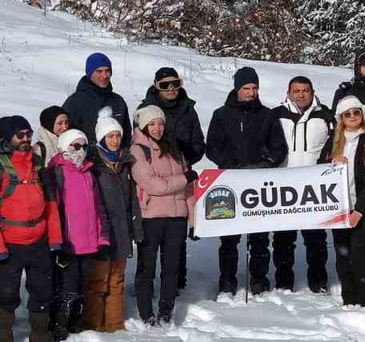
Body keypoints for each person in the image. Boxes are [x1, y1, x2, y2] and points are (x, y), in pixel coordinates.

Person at [0, 116, 63, 342]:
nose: (26, 139)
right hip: (9, 243)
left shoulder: (37, 164)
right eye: (20, 135)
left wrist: (54, 239)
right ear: (6, 139)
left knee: (42, 292)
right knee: (5, 295)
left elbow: (50, 204)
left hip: (38, 241)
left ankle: (41, 339)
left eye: (28, 134)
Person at [206, 67, 288, 297]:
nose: (251, 92)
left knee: (260, 239)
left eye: (254, 88)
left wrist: (266, 163)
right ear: (237, 89)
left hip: (258, 184)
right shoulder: (221, 114)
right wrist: (229, 163)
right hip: (230, 182)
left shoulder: (267, 115)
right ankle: (228, 280)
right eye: (246, 88)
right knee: (229, 239)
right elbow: (212, 146)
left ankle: (259, 280)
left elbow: (279, 147)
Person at [319, 96, 365, 308]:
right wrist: (332, 162)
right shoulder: (334, 141)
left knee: (361, 255)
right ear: (341, 118)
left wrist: (359, 211)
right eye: (347, 114)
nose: (352, 117)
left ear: (363, 114)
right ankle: (349, 301)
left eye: (356, 112)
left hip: (364, 210)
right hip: (339, 208)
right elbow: (319, 168)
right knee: (343, 257)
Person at [139, 67, 207, 292]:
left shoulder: (188, 109)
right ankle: (146, 288)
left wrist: (182, 157)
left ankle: (176, 284)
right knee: (150, 244)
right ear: (156, 85)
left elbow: (199, 143)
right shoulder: (145, 109)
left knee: (176, 242)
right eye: (165, 85)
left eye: (175, 84)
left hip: (181, 173)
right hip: (154, 179)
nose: (171, 89)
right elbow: (139, 143)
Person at [271, 75, 334, 292]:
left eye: (305, 90)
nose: (301, 94)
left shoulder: (325, 115)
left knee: (316, 239)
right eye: (296, 91)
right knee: (283, 240)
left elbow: (335, 144)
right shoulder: (276, 115)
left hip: (314, 188)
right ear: (288, 93)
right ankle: (283, 283)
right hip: (284, 187)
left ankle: (318, 283)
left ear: (312, 92)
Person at [130, 105, 192, 324]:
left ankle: (166, 313)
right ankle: (146, 313)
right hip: (151, 217)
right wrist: (184, 179)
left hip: (176, 218)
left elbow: (189, 189)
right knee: (147, 268)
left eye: (161, 123)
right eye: (152, 124)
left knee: (171, 269)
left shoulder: (174, 148)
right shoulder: (138, 151)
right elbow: (153, 185)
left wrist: (192, 220)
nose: (157, 128)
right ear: (144, 125)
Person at [48, 128, 109, 339]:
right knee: (68, 287)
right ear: (65, 147)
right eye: (75, 146)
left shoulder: (88, 173)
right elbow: (53, 209)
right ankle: (59, 325)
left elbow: (97, 208)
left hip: (88, 242)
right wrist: (56, 240)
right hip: (68, 242)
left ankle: (76, 323)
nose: (80, 151)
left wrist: (102, 236)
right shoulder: (57, 172)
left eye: (84, 146)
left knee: (83, 286)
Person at [87, 115, 142, 332]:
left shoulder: (124, 164)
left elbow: (133, 202)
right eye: (110, 136)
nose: (115, 140)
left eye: (118, 135)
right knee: (98, 282)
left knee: (116, 281)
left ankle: (114, 324)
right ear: (101, 138)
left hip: (122, 233)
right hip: (101, 232)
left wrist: (136, 230)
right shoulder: (93, 165)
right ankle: (94, 325)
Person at [62, 53, 132, 150]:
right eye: (99, 71)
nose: (104, 75)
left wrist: (123, 156)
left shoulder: (118, 101)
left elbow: (127, 133)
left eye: (107, 71)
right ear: (90, 74)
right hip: (85, 161)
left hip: (115, 161)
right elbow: (64, 135)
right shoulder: (74, 102)